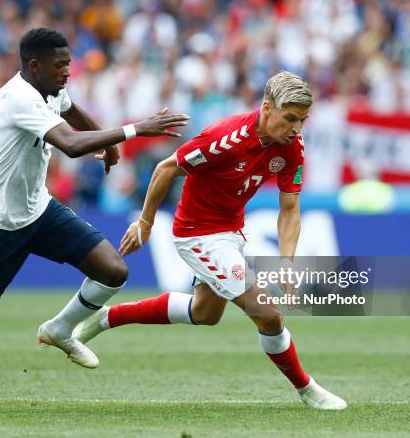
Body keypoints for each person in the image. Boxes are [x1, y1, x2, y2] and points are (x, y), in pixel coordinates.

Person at [0, 28, 189, 412]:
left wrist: (107, 146)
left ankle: (59, 329)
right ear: (34, 66)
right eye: (61, 65)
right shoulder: (16, 99)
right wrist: (135, 129)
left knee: (113, 270)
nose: (68, 71)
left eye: (69, 63)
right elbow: (70, 145)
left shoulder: (50, 87)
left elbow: (74, 112)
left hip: (39, 210)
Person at [73, 71, 347, 410]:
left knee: (204, 313)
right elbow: (165, 168)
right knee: (268, 313)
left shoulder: (292, 147)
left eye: (302, 121)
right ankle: (308, 390)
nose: (296, 128)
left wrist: (287, 263)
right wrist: (145, 222)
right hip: (198, 234)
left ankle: (104, 318)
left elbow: (290, 208)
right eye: (290, 119)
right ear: (266, 108)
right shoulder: (226, 138)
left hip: (233, 230)